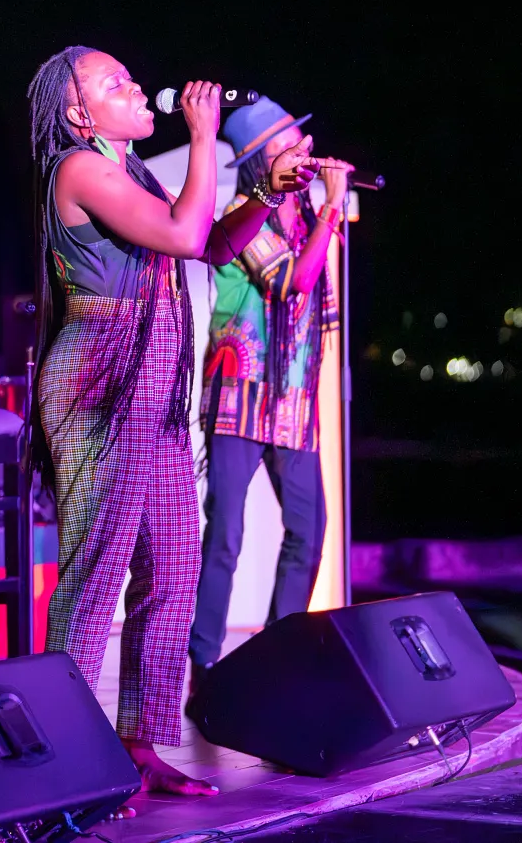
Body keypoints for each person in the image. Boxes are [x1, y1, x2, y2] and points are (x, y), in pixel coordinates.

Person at [26, 46, 314, 796]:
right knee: (96, 574)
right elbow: (187, 235)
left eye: (128, 76)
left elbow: (212, 244)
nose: (132, 87)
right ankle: (68, 755)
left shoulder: (132, 171)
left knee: (173, 569)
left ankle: (139, 742)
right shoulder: (80, 168)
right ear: (79, 111)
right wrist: (205, 131)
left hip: (153, 379)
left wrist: (263, 192)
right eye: (111, 84)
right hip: (101, 376)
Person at [187, 97, 351, 684]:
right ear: (263, 161)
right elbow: (291, 281)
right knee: (225, 534)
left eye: (304, 144)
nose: (307, 152)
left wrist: (322, 210)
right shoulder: (241, 214)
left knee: (310, 529)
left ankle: (280, 648)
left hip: (292, 400)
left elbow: (317, 308)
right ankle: (203, 658)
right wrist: (335, 206)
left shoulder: (305, 217)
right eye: (293, 145)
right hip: (240, 395)